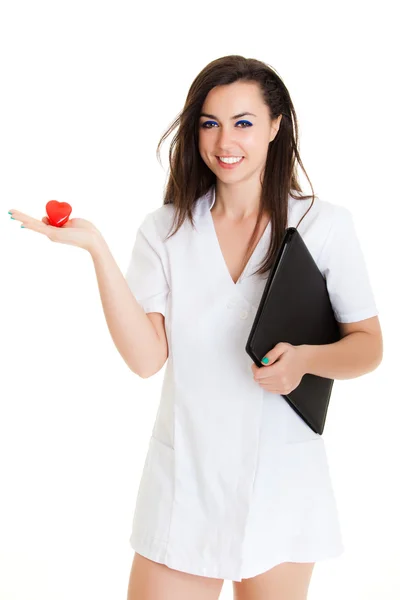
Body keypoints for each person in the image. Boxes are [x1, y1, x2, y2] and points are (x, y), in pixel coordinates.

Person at [9, 55, 383, 600]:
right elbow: (144, 359)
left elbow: (368, 347)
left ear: (276, 127)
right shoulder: (164, 230)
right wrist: (96, 249)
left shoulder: (322, 225)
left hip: (281, 480)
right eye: (210, 123)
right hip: (186, 480)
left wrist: (304, 360)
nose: (225, 140)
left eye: (244, 123)